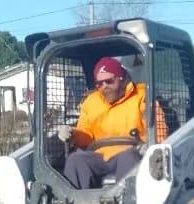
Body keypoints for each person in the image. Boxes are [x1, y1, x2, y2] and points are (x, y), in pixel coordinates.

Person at [57, 56, 167, 189]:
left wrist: (152, 146)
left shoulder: (142, 97)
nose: (104, 86)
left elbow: (158, 128)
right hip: (99, 156)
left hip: (132, 152)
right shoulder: (91, 102)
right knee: (75, 160)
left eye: (109, 81)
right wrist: (72, 134)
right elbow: (85, 135)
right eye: (99, 83)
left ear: (121, 79)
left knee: (128, 159)